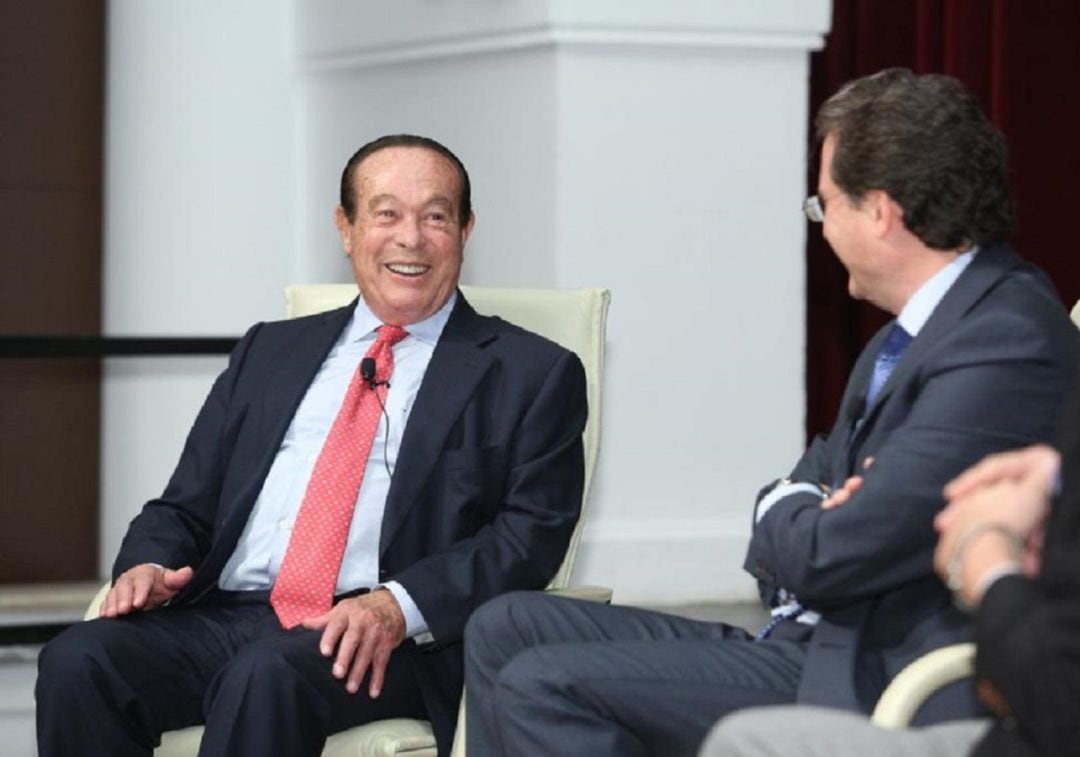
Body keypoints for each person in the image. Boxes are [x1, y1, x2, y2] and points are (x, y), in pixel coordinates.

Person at [463, 68, 1080, 757]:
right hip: (804, 638)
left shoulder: (1006, 337)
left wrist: (808, 515)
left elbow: (831, 551)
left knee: (542, 685)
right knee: (505, 624)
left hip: (865, 670)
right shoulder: (907, 334)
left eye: (824, 207)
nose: (821, 227)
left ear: (879, 211)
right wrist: (806, 507)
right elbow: (795, 506)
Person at [35, 134, 587, 757]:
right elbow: (185, 504)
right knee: (79, 659)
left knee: (267, 675)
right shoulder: (270, 350)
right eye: (386, 213)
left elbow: (527, 541)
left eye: (435, 216)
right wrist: (150, 564)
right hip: (232, 611)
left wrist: (394, 607)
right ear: (346, 228)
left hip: (388, 633)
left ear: (465, 231)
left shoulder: (532, 372)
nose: (411, 238)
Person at [700, 386, 1080, 756]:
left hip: (997, 711)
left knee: (745, 742)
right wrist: (1056, 477)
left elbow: (1060, 700)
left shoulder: (1005, 337)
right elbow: (822, 500)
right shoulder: (893, 348)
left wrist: (987, 563)